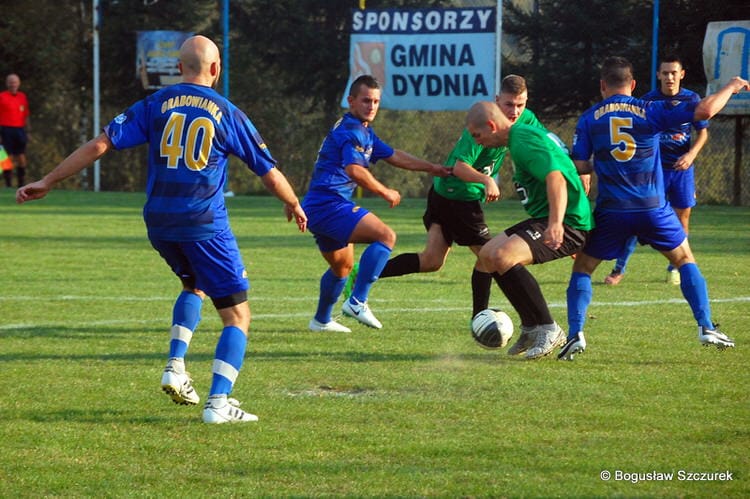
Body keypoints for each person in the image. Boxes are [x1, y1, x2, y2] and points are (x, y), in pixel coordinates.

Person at [16, 35, 308, 423]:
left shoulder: (156, 103)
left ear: (178, 68)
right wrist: (292, 202)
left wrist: (49, 180)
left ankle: (176, 364)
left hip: (159, 222)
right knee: (237, 316)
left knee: (195, 285)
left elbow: (101, 144)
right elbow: (268, 172)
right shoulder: (227, 111)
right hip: (203, 224)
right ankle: (218, 403)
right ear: (216, 69)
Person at [559, 56, 745, 360]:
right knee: (684, 258)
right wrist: (733, 86)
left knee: (583, 267)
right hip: (652, 208)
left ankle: (575, 333)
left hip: (612, 211)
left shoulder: (590, 118)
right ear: (632, 85)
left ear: (603, 85)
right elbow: (706, 110)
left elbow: (579, 167)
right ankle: (706, 326)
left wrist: (601, 162)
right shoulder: (650, 109)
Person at [371, 76, 548, 332]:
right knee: (492, 256)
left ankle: (364, 274)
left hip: (445, 195)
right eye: (509, 104)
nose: (515, 112)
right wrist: (486, 179)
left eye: (520, 104)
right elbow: (459, 167)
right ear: (497, 100)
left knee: (432, 260)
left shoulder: (526, 119)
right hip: (458, 197)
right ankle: (482, 318)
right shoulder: (481, 125)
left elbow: (547, 142)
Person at [303, 74, 449, 333]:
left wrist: (433, 168)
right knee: (385, 236)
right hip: (328, 204)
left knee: (342, 267)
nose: (371, 106)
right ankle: (357, 301)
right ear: (351, 101)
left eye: (376, 102)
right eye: (366, 100)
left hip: (318, 205)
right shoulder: (353, 131)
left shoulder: (363, 131)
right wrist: (385, 191)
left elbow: (395, 155)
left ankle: (321, 320)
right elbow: (354, 170)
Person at [465, 101, 593, 360]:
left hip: (570, 222)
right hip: (551, 216)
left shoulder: (522, 139)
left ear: (491, 126)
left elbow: (555, 176)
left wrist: (556, 223)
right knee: (488, 255)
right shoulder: (519, 137)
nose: (477, 142)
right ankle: (531, 327)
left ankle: (549, 328)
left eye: (478, 136)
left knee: (502, 256)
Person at [604, 55, 709, 286]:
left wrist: (690, 155)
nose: (669, 77)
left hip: (681, 170)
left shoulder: (691, 98)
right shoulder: (648, 101)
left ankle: (676, 267)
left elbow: (702, 132)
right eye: (665, 73)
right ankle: (619, 269)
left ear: (681, 75)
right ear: (658, 75)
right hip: (653, 172)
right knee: (636, 217)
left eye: (674, 72)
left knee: (682, 219)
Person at [0, 73, 31, 187]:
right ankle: (8, 184)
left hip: (19, 129)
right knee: (6, 157)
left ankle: (21, 183)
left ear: (18, 83)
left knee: (21, 156)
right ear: (7, 83)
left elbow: (26, 115)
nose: (13, 84)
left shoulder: (22, 96)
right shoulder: (2, 96)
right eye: (11, 82)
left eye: (15, 82)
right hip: (5, 129)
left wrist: (28, 131)